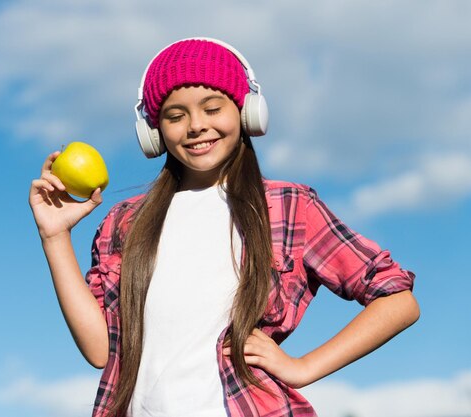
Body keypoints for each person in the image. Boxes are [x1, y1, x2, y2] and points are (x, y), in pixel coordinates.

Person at [29, 37, 420, 417]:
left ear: (247, 111)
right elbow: (101, 350)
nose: (196, 126)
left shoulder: (289, 207)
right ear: (154, 133)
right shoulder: (125, 222)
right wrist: (55, 236)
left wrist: (303, 368)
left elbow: (398, 300)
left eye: (212, 108)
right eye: (175, 116)